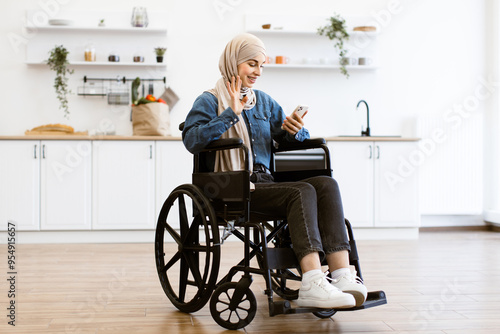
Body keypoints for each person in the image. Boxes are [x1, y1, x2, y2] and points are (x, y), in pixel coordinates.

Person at [182, 33, 367, 309]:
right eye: (251, 64)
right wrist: (230, 114)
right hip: (233, 188)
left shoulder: (264, 102)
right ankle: (313, 281)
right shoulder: (209, 101)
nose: (258, 72)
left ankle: (341, 275)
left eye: (262, 65)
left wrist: (295, 131)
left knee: (327, 184)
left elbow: (283, 137)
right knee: (300, 191)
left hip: (265, 183)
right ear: (233, 63)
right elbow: (192, 140)